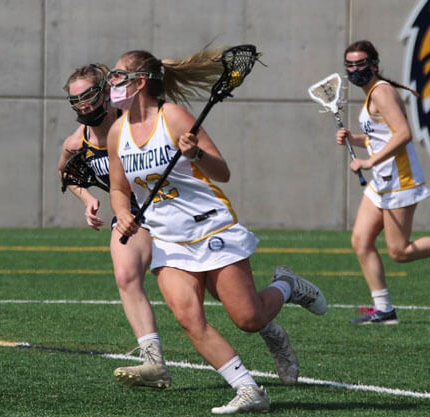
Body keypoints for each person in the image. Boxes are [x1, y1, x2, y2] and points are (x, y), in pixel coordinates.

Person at [106, 47, 328, 414]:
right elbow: (118, 187)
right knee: (189, 317)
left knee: (249, 318)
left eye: (118, 77)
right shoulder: (117, 131)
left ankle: (286, 285)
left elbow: (221, 172)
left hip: (210, 226)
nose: (111, 83)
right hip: (168, 239)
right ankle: (248, 390)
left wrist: (196, 156)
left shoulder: (173, 116)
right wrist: (122, 213)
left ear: (139, 82)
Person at [58, 63, 171, 388]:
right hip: (130, 215)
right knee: (125, 276)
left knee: (236, 307)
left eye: (89, 96)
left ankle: (282, 292)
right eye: (76, 100)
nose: (83, 105)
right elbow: (65, 172)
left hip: (170, 209)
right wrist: (87, 199)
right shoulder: (77, 143)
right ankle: (155, 364)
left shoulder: (134, 126)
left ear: (106, 93)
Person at [337, 40, 430, 325]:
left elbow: (403, 134)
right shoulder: (371, 94)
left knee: (399, 252)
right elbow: (381, 135)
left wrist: (369, 162)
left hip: (400, 181)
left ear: (374, 64)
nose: (355, 69)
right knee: (360, 241)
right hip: (382, 182)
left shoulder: (381, 93)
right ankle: (384, 310)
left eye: (360, 63)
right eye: (350, 65)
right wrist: (354, 139)